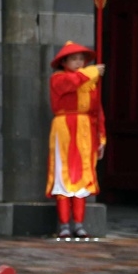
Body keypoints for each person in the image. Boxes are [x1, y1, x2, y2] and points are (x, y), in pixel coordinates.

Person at [45, 41, 106, 239]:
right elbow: (71, 83)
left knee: (83, 178)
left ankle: (79, 223)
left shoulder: (90, 81)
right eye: (74, 59)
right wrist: (92, 72)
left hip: (86, 131)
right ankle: (64, 224)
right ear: (64, 62)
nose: (78, 63)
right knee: (63, 177)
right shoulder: (58, 79)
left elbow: (97, 111)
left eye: (81, 59)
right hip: (64, 130)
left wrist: (102, 138)